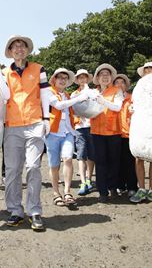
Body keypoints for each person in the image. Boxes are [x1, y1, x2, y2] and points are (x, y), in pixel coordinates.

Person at [1, 35, 51, 231]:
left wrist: (46, 118)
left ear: (27, 50)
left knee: (33, 166)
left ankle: (34, 210)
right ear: (10, 52)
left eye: (22, 46)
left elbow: (46, 94)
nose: (19, 49)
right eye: (15, 46)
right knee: (12, 170)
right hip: (11, 125)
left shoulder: (39, 69)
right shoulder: (3, 73)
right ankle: (14, 210)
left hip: (34, 123)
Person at [46, 68, 88, 208]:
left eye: (65, 78)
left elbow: (74, 109)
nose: (63, 80)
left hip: (68, 132)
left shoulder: (69, 95)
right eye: (60, 77)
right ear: (54, 80)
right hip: (52, 133)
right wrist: (79, 98)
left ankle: (67, 192)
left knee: (68, 158)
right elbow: (58, 106)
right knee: (54, 165)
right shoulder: (48, 92)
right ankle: (56, 193)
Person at [130, 62, 152, 204]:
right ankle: (142, 189)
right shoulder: (139, 87)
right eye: (146, 71)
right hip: (140, 124)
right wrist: (133, 109)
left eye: (151, 70)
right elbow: (134, 102)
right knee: (139, 157)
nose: (149, 72)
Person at [90, 63, 123, 202]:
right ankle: (102, 191)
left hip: (113, 131)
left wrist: (102, 101)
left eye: (107, 74)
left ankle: (113, 187)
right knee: (100, 161)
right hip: (96, 131)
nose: (105, 77)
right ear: (97, 78)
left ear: (111, 77)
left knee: (114, 161)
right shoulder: (93, 92)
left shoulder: (117, 90)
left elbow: (117, 107)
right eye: (102, 74)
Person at [114, 73, 137, 197]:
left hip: (129, 134)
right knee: (117, 162)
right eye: (116, 82)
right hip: (114, 134)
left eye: (122, 82)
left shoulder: (132, 98)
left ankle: (132, 187)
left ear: (126, 85)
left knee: (130, 162)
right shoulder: (110, 98)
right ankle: (119, 185)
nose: (119, 85)